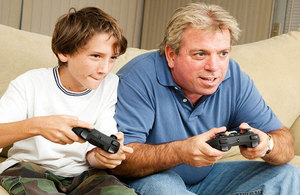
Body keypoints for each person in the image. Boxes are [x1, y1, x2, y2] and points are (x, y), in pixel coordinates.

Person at [112, 3, 300, 195]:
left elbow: (284, 142)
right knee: (163, 187)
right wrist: (180, 152)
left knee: (289, 175)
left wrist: (267, 144)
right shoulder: (138, 77)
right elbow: (119, 160)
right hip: (153, 178)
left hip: (207, 179)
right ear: (171, 55)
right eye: (200, 54)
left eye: (223, 54)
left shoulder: (233, 77)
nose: (214, 67)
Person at [0, 7, 136, 195]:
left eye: (112, 58)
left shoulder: (110, 84)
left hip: (84, 174)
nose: (105, 69)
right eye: (96, 56)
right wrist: (38, 126)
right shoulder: (29, 83)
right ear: (64, 52)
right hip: (29, 169)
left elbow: (94, 154)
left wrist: (103, 157)